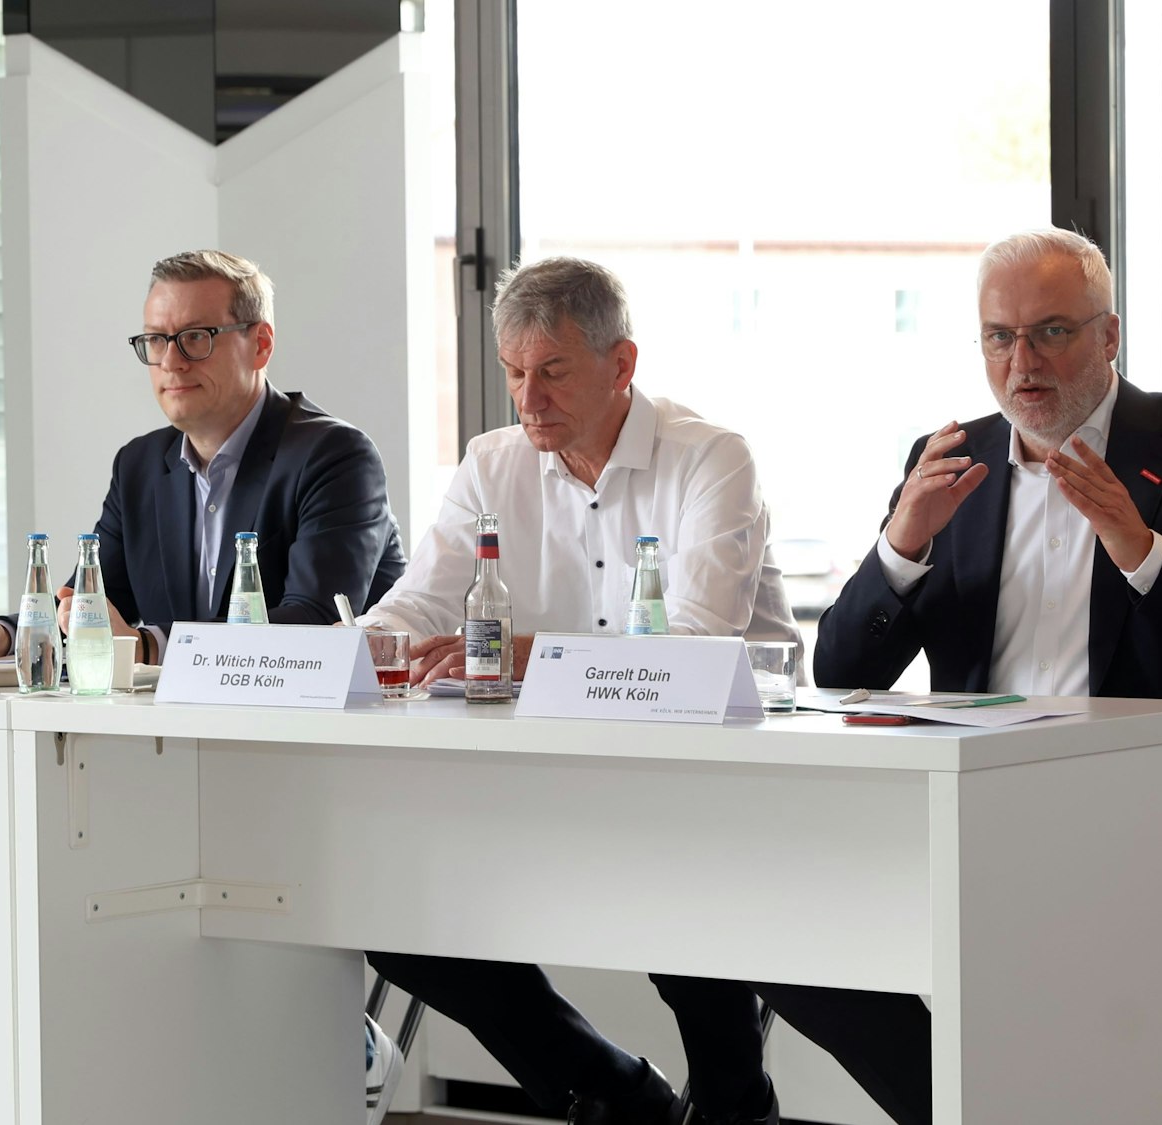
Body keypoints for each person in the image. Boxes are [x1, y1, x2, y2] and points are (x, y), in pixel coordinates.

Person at [806, 226, 1162, 1121]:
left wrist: (1145, 551)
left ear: (1110, 336)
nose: (1022, 362)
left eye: (1052, 331)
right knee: (817, 963)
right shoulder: (948, 457)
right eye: (999, 337)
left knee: (1144, 1093)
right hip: (980, 833)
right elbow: (843, 668)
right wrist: (902, 546)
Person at [358, 256, 846, 1125]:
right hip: (552, 773)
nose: (527, 398)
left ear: (622, 364)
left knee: (678, 914)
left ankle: (737, 1108)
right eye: (513, 373)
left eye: (551, 371)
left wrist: (515, 653)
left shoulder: (711, 456)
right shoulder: (490, 463)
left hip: (729, 774)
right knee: (403, 916)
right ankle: (614, 1092)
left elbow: (693, 647)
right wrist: (347, 652)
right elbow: (418, 604)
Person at [0, 249, 404, 661]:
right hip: (185, 739)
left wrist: (148, 646)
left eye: (196, 337)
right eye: (156, 339)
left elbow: (316, 622)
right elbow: (93, 607)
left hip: (320, 737)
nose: (171, 362)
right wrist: (2, 636)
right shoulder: (139, 465)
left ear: (260, 344)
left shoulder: (335, 456)